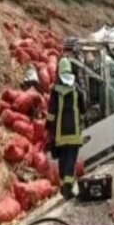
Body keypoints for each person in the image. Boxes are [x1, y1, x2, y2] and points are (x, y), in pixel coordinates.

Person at [46, 57, 86, 199]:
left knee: (63, 160)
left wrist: (48, 127)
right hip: (74, 132)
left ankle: (64, 188)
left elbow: (51, 112)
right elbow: (83, 107)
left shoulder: (55, 89)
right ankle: (68, 188)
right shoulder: (76, 87)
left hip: (60, 133)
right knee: (71, 159)